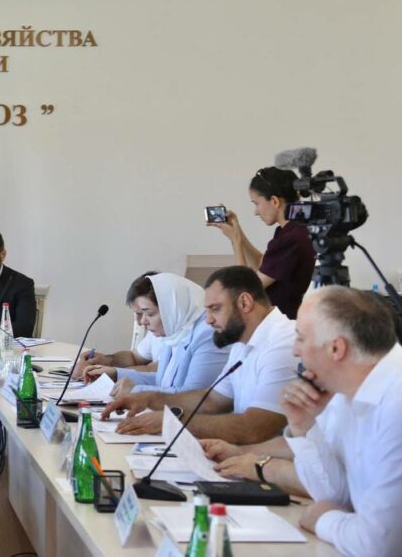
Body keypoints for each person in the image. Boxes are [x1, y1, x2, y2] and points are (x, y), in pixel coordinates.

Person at [102, 266, 296, 445]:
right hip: (244, 456)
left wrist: (172, 420)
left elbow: (253, 428)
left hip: (269, 463)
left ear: (244, 303)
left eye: (215, 309)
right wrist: (148, 399)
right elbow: (213, 400)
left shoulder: (283, 345)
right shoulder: (241, 342)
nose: (209, 320)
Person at [282, 286, 402, 555]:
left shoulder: (397, 402)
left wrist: (322, 521)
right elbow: (337, 498)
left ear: (336, 348)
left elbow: (381, 543)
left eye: (300, 338)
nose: (295, 351)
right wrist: (304, 426)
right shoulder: (345, 394)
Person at [84, 273, 229, 396]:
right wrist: (115, 374)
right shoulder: (176, 332)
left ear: (171, 309)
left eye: (150, 314)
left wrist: (135, 390)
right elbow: (163, 382)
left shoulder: (208, 336)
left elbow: (191, 396)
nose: (142, 322)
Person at [209, 166, 315, 319]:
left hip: (278, 322)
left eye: (256, 203)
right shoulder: (293, 230)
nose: (256, 212)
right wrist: (238, 233)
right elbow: (261, 263)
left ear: (274, 201)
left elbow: (244, 291)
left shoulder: (290, 239)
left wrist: (235, 240)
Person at [73, 271, 161, 379]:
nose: (140, 322)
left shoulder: (175, 334)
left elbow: (154, 371)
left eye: (147, 313)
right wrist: (106, 360)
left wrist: (107, 373)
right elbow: (134, 357)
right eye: (137, 314)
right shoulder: (156, 332)